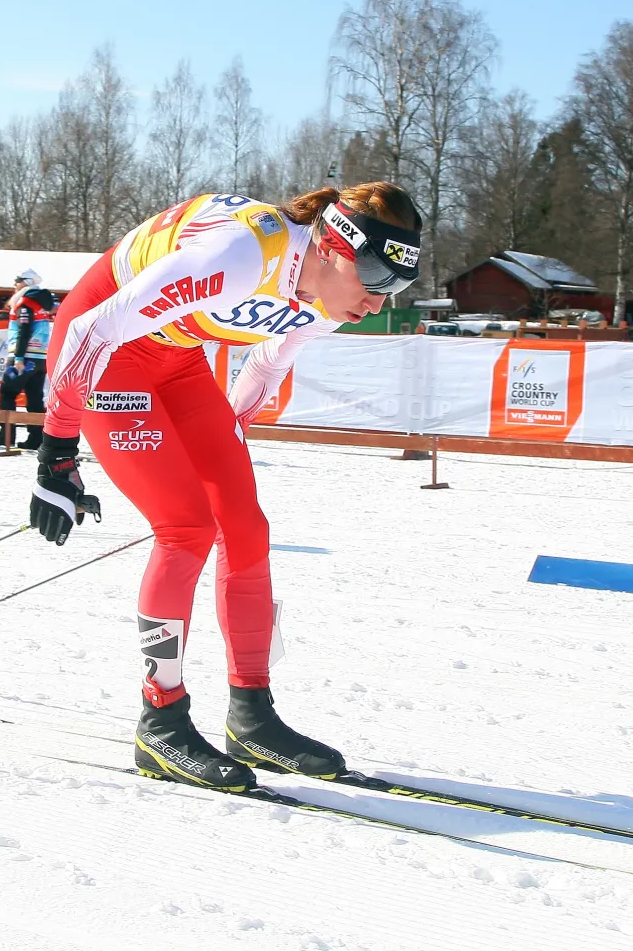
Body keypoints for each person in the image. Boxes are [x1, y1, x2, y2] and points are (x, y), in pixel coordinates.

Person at [29, 184, 421, 792]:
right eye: (374, 282)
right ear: (331, 246)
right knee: (186, 528)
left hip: (178, 358)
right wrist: (56, 454)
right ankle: (160, 722)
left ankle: (252, 716)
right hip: (106, 352)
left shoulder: (327, 297)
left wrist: (224, 441)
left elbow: (266, 364)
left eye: (397, 289)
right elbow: (90, 329)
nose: (379, 302)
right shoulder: (243, 253)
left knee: (244, 528)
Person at [0, 270, 53, 450]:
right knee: (34, 399)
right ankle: (36, 438)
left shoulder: (25, 302)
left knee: (7, 393)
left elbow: (24, 331)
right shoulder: (41, 303)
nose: (14, 284)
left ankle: (6, 436)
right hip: (40, 358)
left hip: (25, 357)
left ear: (26, 282)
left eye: (17, 281)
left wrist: (18, 357)